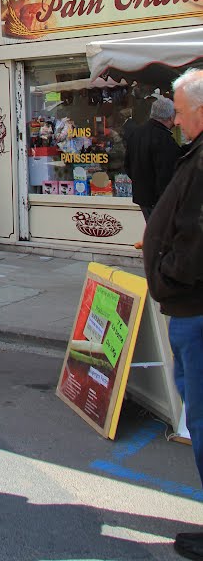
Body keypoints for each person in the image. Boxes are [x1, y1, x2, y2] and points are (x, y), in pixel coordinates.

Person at [142, 70, 203, 561]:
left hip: (196, 307)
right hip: (190, 305)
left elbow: (197, 243)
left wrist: (163, 269)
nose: (176, 119)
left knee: (202, 417)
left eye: (181, 111)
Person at [124, 95, 180, 221]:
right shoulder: (164, 138)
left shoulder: (137, 133)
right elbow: (168, 173)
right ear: (170, 117)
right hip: (159, 200)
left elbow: (127, 165)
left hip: (143, 197)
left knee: (153, 232)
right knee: (163, 235)